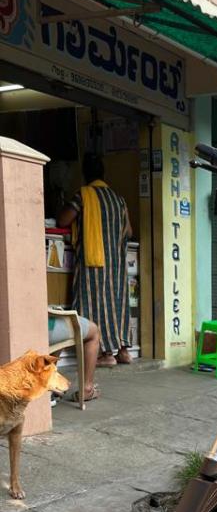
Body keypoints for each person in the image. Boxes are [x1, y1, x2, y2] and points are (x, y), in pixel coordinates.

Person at [58, 154, 133, 367]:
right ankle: (124, 351)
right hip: (117, 266)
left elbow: (64, 219)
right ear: (103, 173)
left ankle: (105, 354)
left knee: (93, 305)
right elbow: (128, 231)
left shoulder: (83, 195)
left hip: (93, 262)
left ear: (85, 174)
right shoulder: (119, 199)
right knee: (117, 304)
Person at [48, 313, 101, 402]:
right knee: (94, 331)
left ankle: (50, 381)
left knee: (59, 321)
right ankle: (87, 389)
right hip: (45, 327)